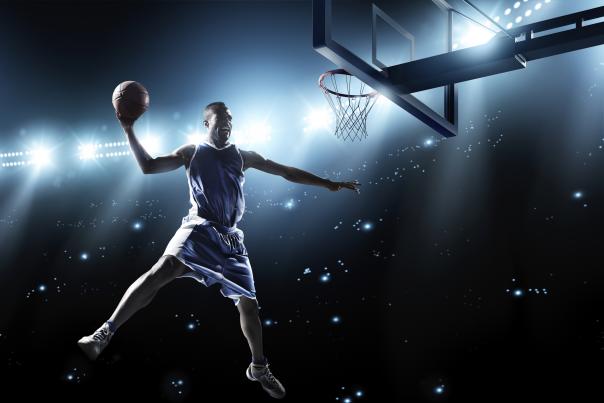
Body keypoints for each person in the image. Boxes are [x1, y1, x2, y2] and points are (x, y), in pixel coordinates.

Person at [77, 101, 360, 399]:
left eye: (231, 119)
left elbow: (286, 171)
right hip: (199, 229)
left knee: (249, 305)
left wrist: (328, 183)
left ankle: (258, 368)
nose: (228, 122)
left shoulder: (243, 156)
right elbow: (148, 166)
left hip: (231, 241)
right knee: (163, 270)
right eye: (221, 118)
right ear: (206, 123)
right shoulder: (192, 151)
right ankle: (103, 334)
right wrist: (128, 129)